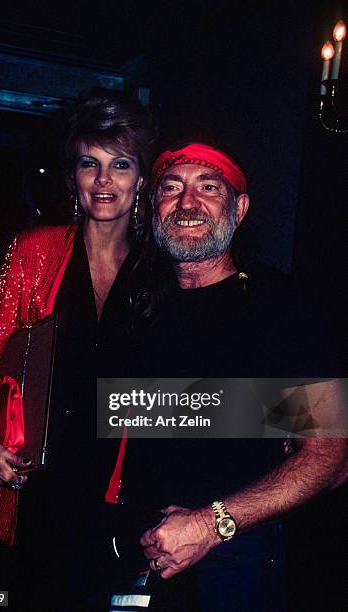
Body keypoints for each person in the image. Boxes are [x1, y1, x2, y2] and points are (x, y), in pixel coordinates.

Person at [0, 89, 157, 611]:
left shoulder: (159, 273)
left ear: (142, 180)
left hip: (120, 490)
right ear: (74, 176)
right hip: (39, 485)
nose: (104, 180)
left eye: (121, 164)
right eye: (91, 163)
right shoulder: (35, 252)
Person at [123, 142, 347, 610]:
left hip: (235, 562)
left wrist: (209, 524)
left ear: (239, 208)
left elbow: (331, 457)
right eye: (171, 188)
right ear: (153, 206)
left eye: (208, 187)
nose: (187, 203)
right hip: (139, 559)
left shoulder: (281, 307)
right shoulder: (139, 308)